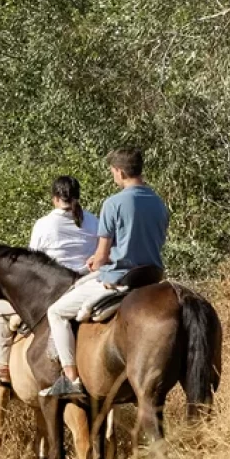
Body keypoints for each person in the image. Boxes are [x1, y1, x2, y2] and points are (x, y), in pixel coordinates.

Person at [41, 148, 169, 398]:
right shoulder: (159, 203)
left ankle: (71, 380)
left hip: (120, 279)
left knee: (55, 311)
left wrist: (96, 261)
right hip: (152, 277)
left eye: (113, 172)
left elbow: (101, 257)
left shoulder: (114, 203)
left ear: (120, 172)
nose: (114, 176)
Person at [0, 176, 99, 386]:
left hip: (51, 290)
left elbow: (34, 262)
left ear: (55, 199)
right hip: (87, 286)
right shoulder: (95, 221)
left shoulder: (44, 224)